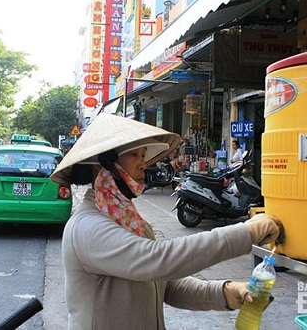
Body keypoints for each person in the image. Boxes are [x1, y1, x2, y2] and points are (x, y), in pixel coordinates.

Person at [50, 113, 284, 330]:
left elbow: (167, 285)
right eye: (134, 155)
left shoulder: (128, 219)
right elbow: (158, 260)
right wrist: (246, 233)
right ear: (104, 164)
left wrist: (225, 292)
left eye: (143, 155)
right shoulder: (87, 226)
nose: (143, 163)